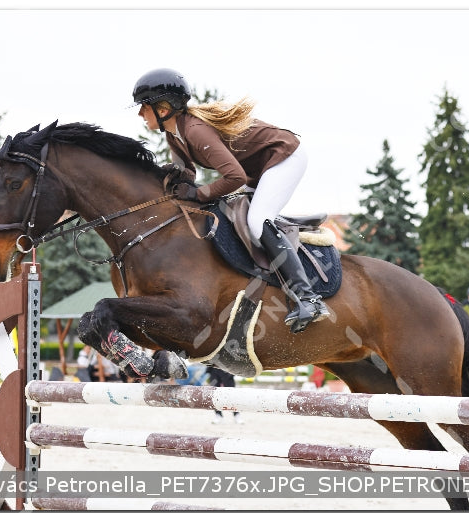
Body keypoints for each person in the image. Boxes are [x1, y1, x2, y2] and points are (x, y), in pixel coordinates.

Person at [131, 68, 329, 333]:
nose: (140, 114)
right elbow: (188, 172)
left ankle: (308, 298)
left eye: (144, 107)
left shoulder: (195, 131)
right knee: (235, 216)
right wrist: (171, 176)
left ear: (163, 108)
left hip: (283, 156)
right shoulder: (174, 134)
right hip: (258, 167)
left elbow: (234, 177)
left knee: (257, 221)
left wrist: (199, 194)